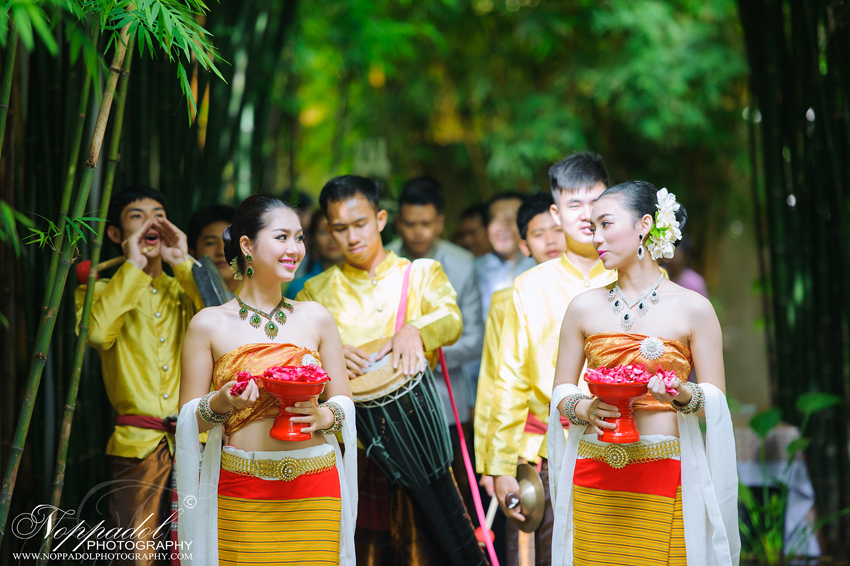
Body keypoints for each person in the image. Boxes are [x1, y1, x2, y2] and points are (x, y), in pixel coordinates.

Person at [548, 181, 739, 566]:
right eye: (592, 228)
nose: (596, 238)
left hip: (665, 469)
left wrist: (683, 395)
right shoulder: (583, 308)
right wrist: (582, 409)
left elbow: (714, 401)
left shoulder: (694, 309)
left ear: (644, 224)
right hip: (595, 467)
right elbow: (561, 392)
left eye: (606, 224)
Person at [296, 175, 481, 566]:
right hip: (352, 443)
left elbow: (452, 318)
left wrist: (416, 329)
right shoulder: (315, 291)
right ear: (327, 230)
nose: (351, 237)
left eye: (360, 224)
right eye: (340, 228)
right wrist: (329, 356)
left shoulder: (420, 274)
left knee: (433, 551)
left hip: (419, 439)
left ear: (381, 219)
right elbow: (299, 356)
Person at [176, 194, 357, 565]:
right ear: (246, 245)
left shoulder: (317, 317)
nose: (295, 248)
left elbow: (343, 402)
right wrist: (223, 402)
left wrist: (325, 416)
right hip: (243, 486)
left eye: (300, 237)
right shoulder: (208, 324)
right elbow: (188, 418)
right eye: (282, 237)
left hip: (316, 484)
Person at [483, 153, 617, 566]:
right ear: (556, 213)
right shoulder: (527, 288)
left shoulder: (637, 274)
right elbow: (505, 380)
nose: (585, 215)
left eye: (594, 203)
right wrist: (498, 463)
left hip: (623, 442)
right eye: (573, 205)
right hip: (547, 448)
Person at [74, 186, 205, 566]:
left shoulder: (185, 288)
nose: (152, 222)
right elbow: (98, 334)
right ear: (115, 234)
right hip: (136, 446)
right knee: (135, 555)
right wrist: (132, 266)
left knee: (199, 551)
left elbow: (223, 319)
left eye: (159, 214)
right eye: (138, 216)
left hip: (195, 442)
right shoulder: (97, 290)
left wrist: (182, 261)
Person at [474, 192, 566, 565]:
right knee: (532, 548)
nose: (551, 240)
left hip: (591, 436)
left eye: (557, 230)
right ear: (525, 245)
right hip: (530, 446)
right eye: (539, 233)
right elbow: (494, 381)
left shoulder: (601, 288)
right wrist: (490, 464)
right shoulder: (506, 298)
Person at [386, 176, 483, 431]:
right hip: (386, 390)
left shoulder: (463, 265)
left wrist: (422, 356)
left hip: (446, 396)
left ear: (440, 223)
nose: (418, 231)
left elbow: (474, 338)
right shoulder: (382, 262)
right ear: (397, 223)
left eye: (426, 223)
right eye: (410, 224)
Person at [474, 192, 536, 318]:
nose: (501, 228)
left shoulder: (539, 264)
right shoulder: (475, 269)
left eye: (509, 219)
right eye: (495, 220)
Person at [285, 208, 345, 299]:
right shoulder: (300, 289)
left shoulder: (366, 280)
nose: (332, 238)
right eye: (324, 232)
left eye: (338, 230)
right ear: (313, 239)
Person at [187, 204, 238, 294]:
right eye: (211, 243)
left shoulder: (266, 296)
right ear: (192, 252)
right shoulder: (176, 295)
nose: (222, 251)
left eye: (230, 241)